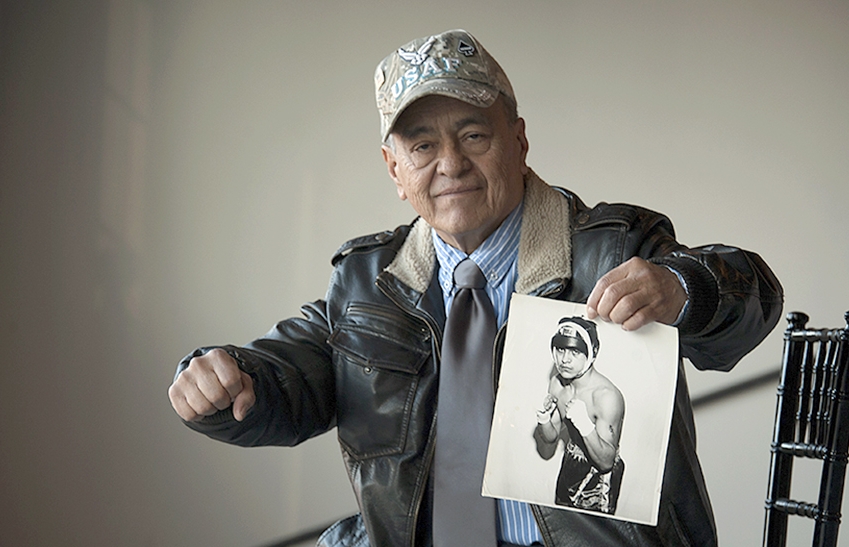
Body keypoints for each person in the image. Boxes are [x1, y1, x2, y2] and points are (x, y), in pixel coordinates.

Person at [168, 29, 784, 547]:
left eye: (473, 136)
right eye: (422, 146)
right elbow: (285, 378)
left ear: (518, 141)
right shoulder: (365, 281)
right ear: (394, 170)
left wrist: (684, 288)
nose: (451, 165)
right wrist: (223, 381)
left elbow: (753, 292)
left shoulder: (613, 250)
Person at [536, 317, 626, 516]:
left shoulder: (606, 397)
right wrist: (544, 420)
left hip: (599, 479)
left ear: (591, 353)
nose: (564, 359)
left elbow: (606, 462)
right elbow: (551, 437)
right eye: (560, 350)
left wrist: (584, 424)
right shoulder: (557, 384)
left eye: (574, 352)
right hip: (571, 462)